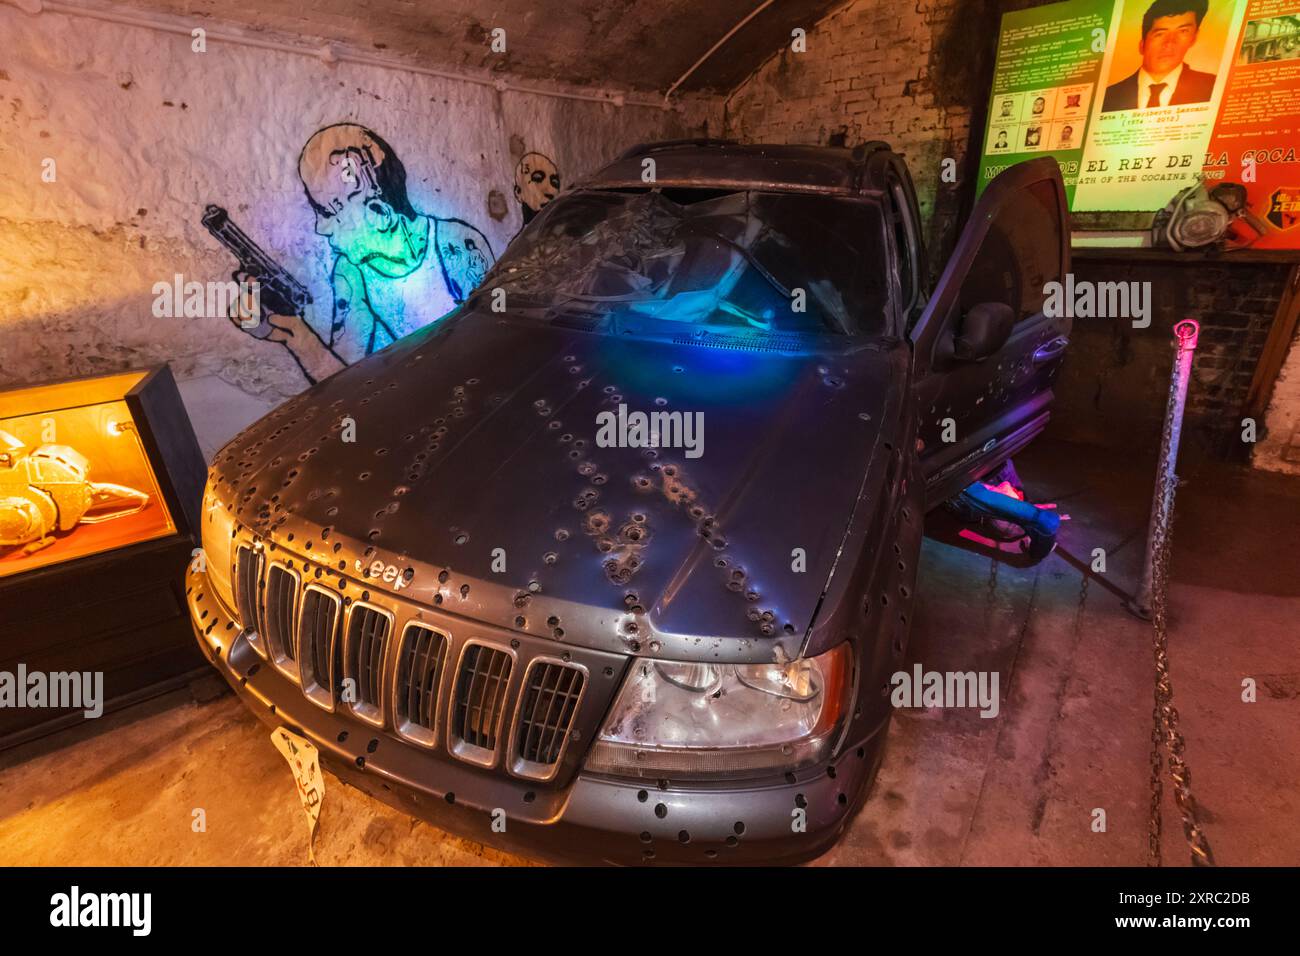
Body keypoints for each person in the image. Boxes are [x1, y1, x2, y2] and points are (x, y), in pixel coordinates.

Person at [232, 124, 495, 383]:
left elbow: (498, 344)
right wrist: (296, 336)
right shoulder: (350, 272)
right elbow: (349, 380)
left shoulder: (458, 245)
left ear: (378, 213)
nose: (320, 227)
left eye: (328, 211)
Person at [1103, 0, 1217, 111]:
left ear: (1194, 37)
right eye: (1160, 34)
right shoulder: (1107, 97)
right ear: (1142, 45)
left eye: (1183, 31)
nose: (1170, 43)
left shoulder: (1213, 88)